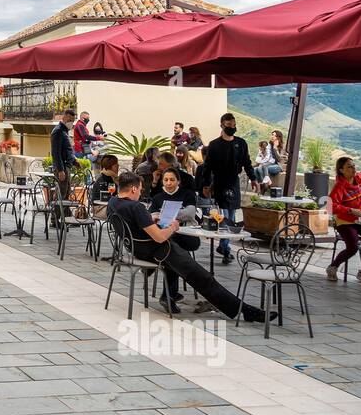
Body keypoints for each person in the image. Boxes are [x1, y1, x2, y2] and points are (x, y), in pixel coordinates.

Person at [108, 173, 271, 320]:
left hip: (137, 250)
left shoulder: (114, 202)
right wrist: (173, 226)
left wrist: (150, 218)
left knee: (180, 263)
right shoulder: (135, 207)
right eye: (140, 190)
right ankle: (245, 310)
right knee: (204, 279)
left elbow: (133, 223)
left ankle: (170, 296)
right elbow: (159, 238)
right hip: (159, 251)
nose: (140, 193)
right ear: (134, 189)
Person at [195, 112, 257, 264]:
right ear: (222, 125)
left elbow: (247, 163)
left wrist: (254, 178)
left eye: (234, 125)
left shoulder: (241, 143)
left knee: (232, 216)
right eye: (229, 125)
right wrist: (205, 184)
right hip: (219, 182)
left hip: (233, 182)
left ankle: (224, 247)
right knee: (221, 215)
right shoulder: (214, 144)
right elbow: (208, 166)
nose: (232, 128)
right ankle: (225, 248)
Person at [150, 167, 203, 308]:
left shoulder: (187, 194)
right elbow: (152, 216)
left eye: (172, 180)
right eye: (166, 180)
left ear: (178, 181)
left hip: (188, 236)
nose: (168, 183)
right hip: (168, 237)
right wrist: (175, 213)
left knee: (171, 250)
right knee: (173, 253)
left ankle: (169, 294)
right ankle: (169, 296)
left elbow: (190, 213)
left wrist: (166, 213)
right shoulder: (157, 197)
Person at [325, 156, 361, 282]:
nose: (353, 168)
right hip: (345, 222)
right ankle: (333, 267)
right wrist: (350, 210)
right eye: (349, 166)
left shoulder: (360, 177)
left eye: (353, 165)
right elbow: (331, 206)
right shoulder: (340, 187)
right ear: (341, 170)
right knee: (353, 247)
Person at [49, 109, 77, 204]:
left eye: (72, 121)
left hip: (66, 166)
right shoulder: (58, 131)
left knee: (66, 193)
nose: (71, 122)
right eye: (69, 120)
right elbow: (56, 153)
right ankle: (56, 217)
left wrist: (74, 161)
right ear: (63, 117)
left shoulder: (65, 131)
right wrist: (60, 170)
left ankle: (64, 216)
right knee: (61, 194)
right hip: (62, 168)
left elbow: (67, 150)